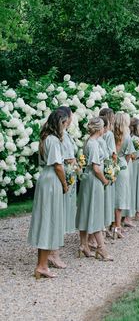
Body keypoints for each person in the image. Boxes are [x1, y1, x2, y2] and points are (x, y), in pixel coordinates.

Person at [27, 110, 68, 280]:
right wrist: (65, 184)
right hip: (52, 180)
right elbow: (58, 166)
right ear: (60, 123)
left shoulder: (44, 138)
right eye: (65, 123)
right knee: (48, 220)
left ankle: (42, 264)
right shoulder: (53, 140)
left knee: (46, 218)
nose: (66, 126)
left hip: (45, 178)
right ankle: (41, 266)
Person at [76, 117, 112, 261]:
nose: (104, 129)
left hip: (87, 179)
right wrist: (105, 181)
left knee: (86, 210)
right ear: (99, 129)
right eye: (103, 126)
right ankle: (101, 249)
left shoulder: (88, 142)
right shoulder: (94, 145)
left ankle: (83, 244)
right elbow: (96, 168)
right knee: (95, 212)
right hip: (94, 180)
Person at [55, 105, 76, 268]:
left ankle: (55, 249)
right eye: (71, 116)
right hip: (62, 175)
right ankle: (53, 252)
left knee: (63, 211)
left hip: (68, 173)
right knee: (58, 212)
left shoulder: (64, 134)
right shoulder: (58, 136)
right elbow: (63, 159)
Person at [113, 112, 134, 239]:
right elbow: (128, 156)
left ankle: (110, 226)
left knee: (111, 196)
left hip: (110, 166)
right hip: (121, 166)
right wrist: (123, 165)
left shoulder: (110, 135)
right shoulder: (127, 137)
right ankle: (117, 226)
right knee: (120, 198)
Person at [99, 108, 117, 235]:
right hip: (107, 166)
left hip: (99, 165)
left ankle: (101, 227)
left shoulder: (97, 133)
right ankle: (105, 226)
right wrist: (115, 167)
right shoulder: (109, 134)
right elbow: (112, 153)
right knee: (107, 197)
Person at [128, 117, 139, 221]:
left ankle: (133, 211)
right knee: (137, 187)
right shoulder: (136, 139)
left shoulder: (127, 137)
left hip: (131, 164)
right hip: (137, 164)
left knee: (131, 187)